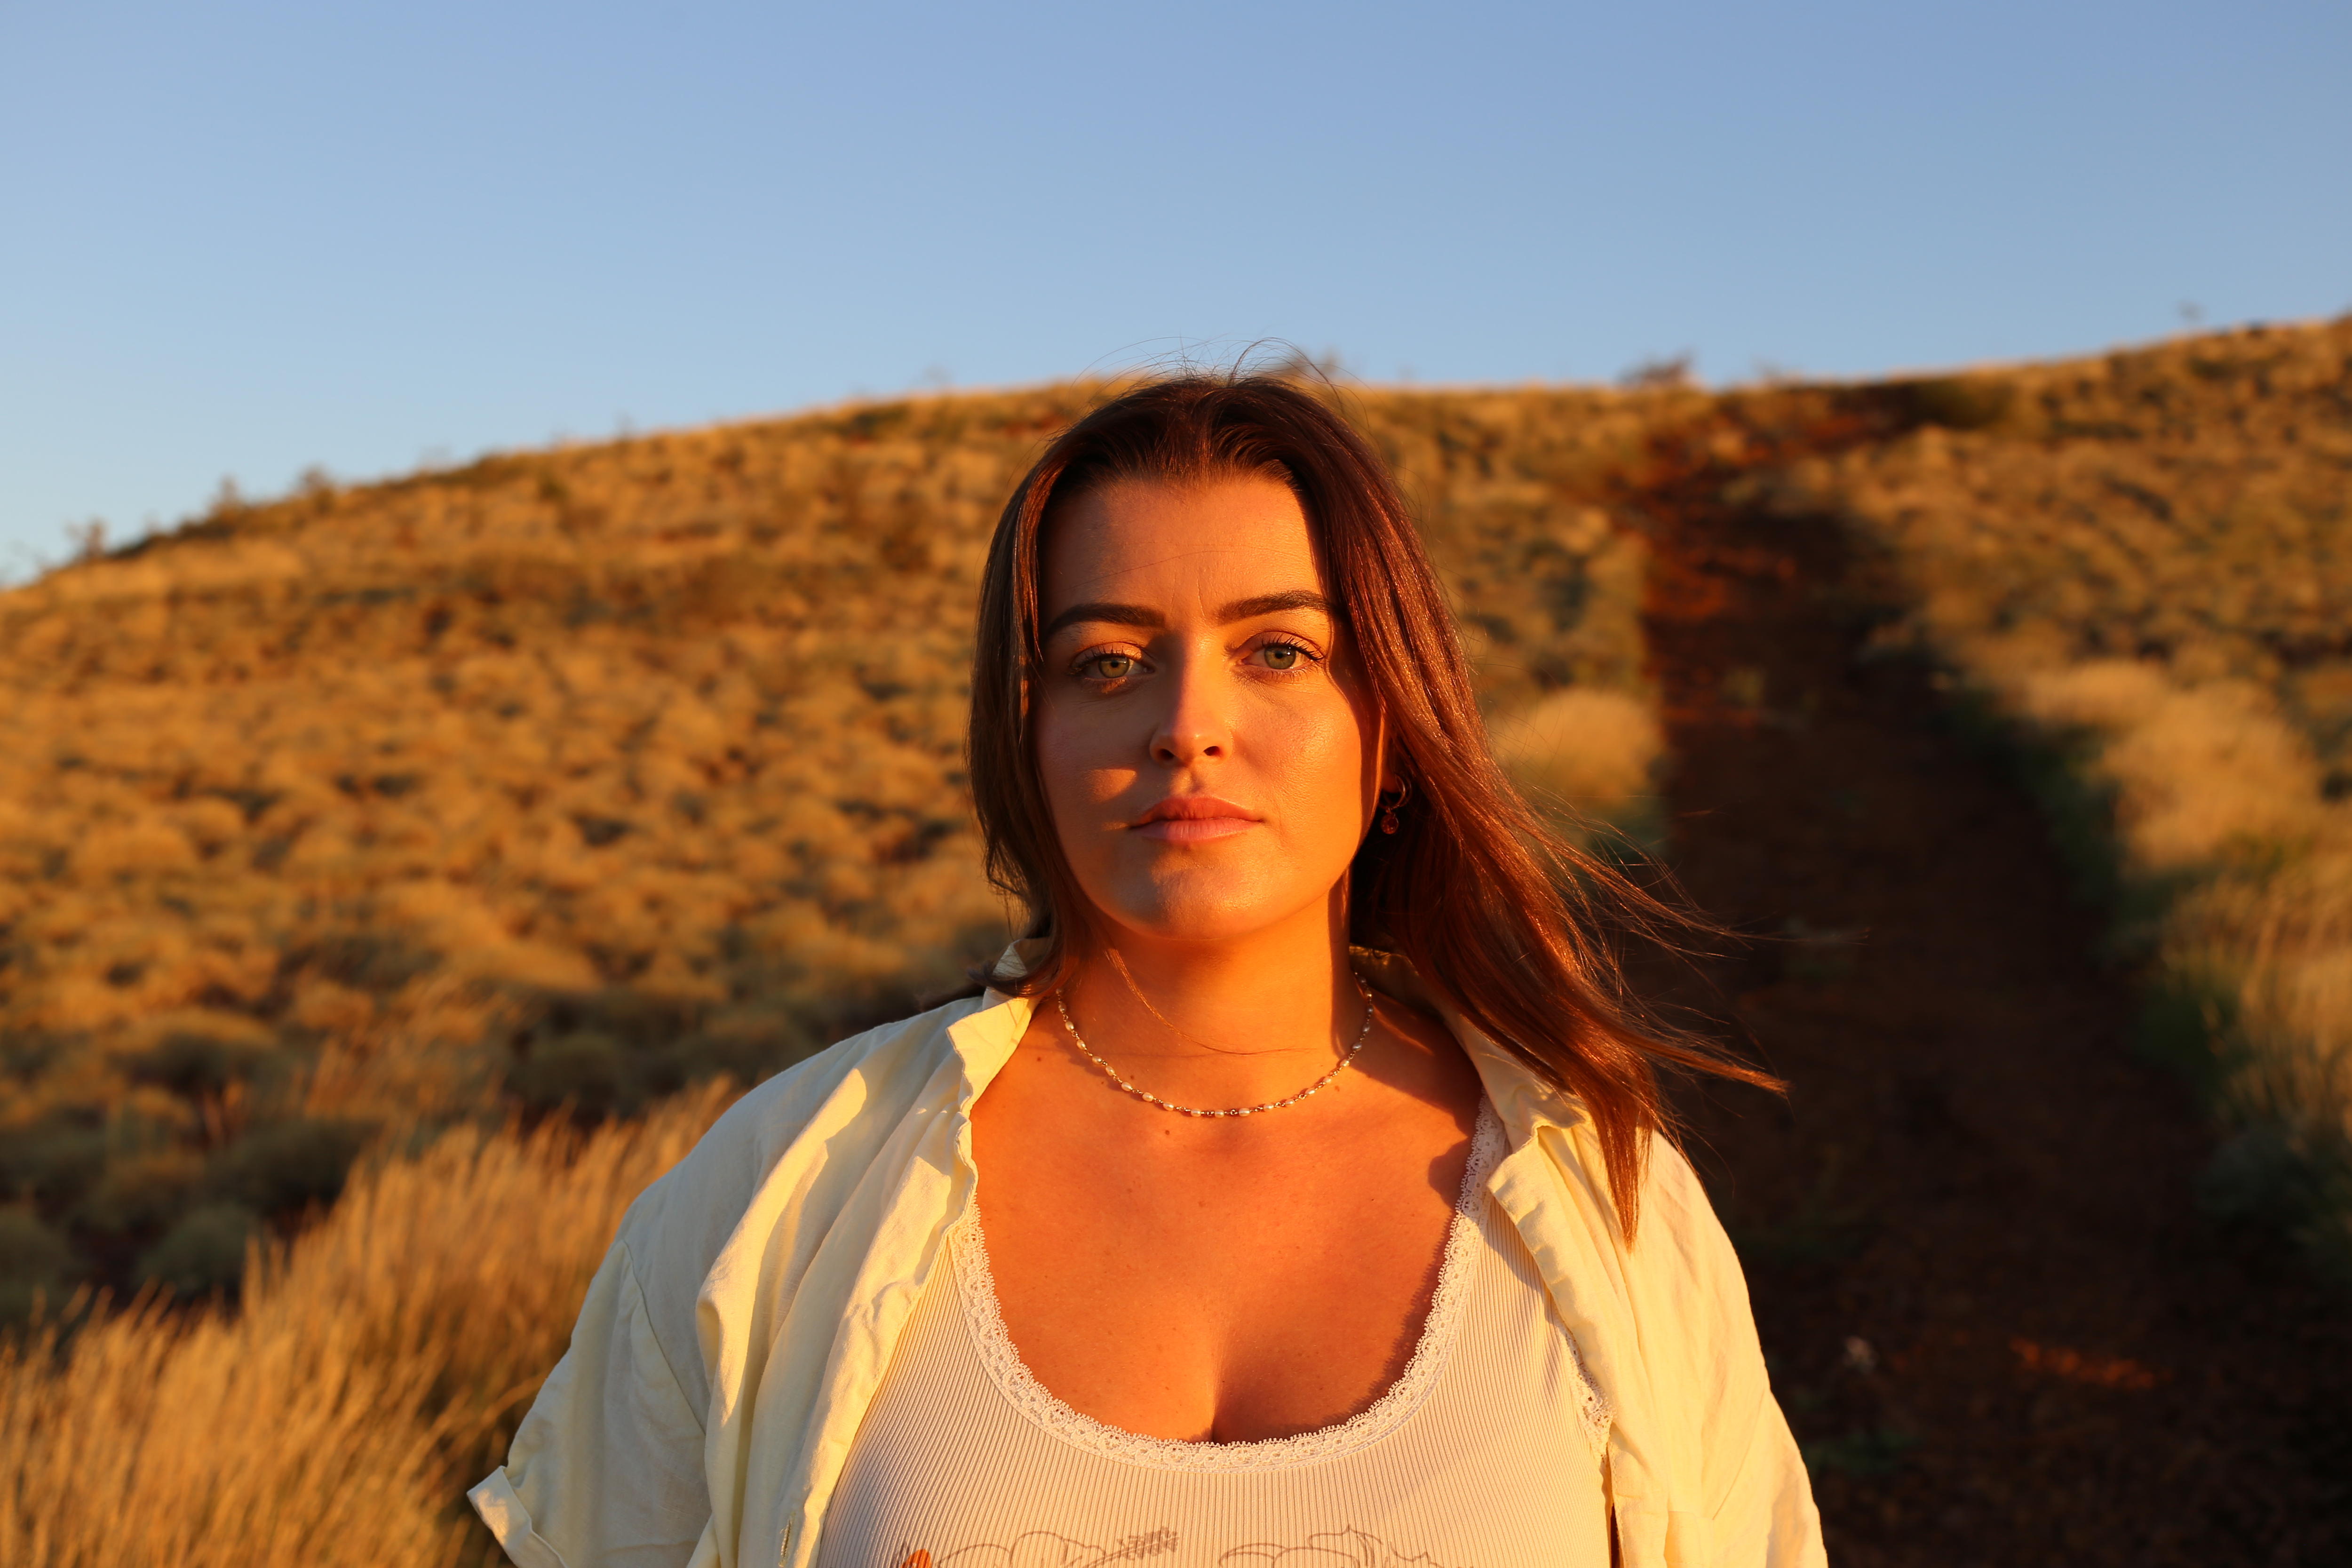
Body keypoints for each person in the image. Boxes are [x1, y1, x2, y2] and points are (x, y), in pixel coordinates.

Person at [469, 374, 1826, 1568]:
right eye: (1107, 662)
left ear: (1395, 726)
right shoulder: (784, 1191)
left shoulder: (1604, 1202)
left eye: (1279, 652)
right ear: (1030, 732)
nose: (1187, 725)